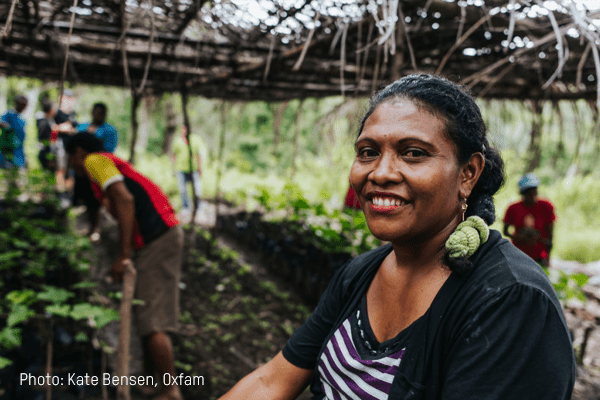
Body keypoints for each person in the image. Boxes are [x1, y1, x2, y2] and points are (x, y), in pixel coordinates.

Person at [218, 74, 575, 400]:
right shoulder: (360, 274)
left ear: (468, 174)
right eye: (368, 152)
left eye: (413, 153)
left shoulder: (510, 302)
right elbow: (271, 381)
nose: (381, 172)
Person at [66, 133, 184, 400]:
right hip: (156, 239)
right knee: (145, 315)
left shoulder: (95, 161)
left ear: (80, 152)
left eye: (71, 156)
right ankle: (152, 383)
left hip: (159, 238)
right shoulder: (104, 166)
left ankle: (170, 390)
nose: (72, 164)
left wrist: (123, 255)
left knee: (153, 321)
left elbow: (125, 199)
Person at [74, 102, 119, 240]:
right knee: (86, 200)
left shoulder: (110, 131)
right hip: (82, 171)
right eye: (96, 112)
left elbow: (108, 152)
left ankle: (96, 229)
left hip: (97, 170)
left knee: (97, 200)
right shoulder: (82, 127)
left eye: (102, 113)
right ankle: (88, 226)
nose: (98, 115)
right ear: (92, 112)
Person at [503, 173, 555, 267]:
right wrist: (519, 237)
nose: (532, 196)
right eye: (528, 193)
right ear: (522, 193)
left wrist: (547, 258)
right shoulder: (513, 208)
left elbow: (550, 235)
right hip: (519, 253)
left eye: (534, 192)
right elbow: (505, 231)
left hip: (540, 255)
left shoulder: (546, 207)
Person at [171, 125, 205, 222]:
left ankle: (198, 209)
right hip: (180, 169)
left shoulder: (196, 140)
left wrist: (199, 168)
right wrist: (173, 168)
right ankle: (185, 208)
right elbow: (174, 155)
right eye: (183, 128)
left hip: (193, 169)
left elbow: (199, 155)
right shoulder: (177, 141)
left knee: (197, 189)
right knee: (182, 189)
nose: (184, 130)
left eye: (186, 128)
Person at [54, 89, 79, 207]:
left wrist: (71, 130)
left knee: (71, 171)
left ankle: (69, 196)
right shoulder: (57, 113)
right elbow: (52, 128)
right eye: (66, 98)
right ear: (61, 98)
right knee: (60, 170)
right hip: (60, 147)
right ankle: (60, 194)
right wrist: (61, 127)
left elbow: (74, 128)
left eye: (70, 98)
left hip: (71, 147)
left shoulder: (73, 113)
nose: (69, 101)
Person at [0, 95, 29, 169]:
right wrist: (7, 126)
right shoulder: (9, 114)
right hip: (7, 153)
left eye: (24, 105)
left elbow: (21, 140)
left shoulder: (22, 119)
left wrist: (24, 157)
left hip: (19, 155)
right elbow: (1, 122)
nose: (22, 107)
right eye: (21, 104)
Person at [36, 99, 59, 172]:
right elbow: (50, 139)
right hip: (47, 152)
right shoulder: (45, 122)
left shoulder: (48, 120)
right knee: (48, 172)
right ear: (50, 110)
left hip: (46, 151)